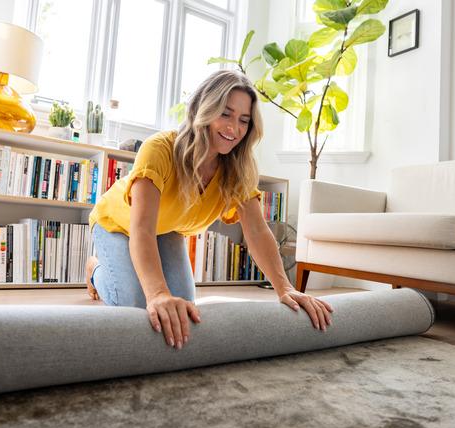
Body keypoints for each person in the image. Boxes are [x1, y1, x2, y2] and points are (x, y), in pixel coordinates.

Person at [85, 70, 333, 349]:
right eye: (225, 114)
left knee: (184, 307)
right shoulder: (160, 149)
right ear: (204, 108)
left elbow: (256, 230)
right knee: (135, 304)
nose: (234, 128)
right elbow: (141, 229)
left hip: (168, 229)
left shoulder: (239, 168)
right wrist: (156, 293)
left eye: (244, 120)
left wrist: (285, 288)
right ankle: (96, 270)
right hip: (118, 224)